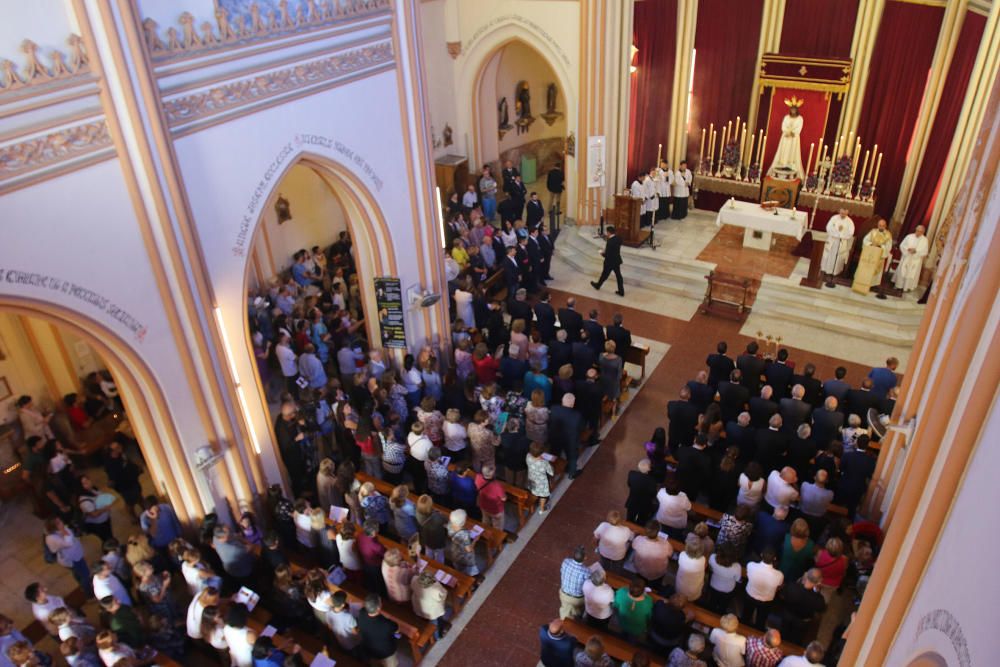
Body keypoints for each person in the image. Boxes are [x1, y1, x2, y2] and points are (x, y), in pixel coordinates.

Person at [44, 518, 92, 596]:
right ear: (54, 526)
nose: (62, 522)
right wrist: (63, 530)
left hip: (76, 555)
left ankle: (83, 585)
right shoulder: (52, 538)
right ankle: (88, 593)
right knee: (85, 574)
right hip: (72, 559)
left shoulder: (60, 530)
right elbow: (68, 543)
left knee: (78, 573)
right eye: (59, 523)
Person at [780, 569, 827, 645]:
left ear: (806, 575)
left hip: (787, 616)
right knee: (795, 641)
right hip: (802, 622)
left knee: (783, 635)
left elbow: (782, 596)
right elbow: (821, 609)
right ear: (819, 582)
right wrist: (817, 593)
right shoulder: (819, 599)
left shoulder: (791, 586)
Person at [743, 549, 784, 629]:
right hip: (766, 600)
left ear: (761, 555)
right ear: (775, 558)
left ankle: (743, 628)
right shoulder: (779, 575)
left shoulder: (751, 565)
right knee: (761, 621)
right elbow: (779, 586)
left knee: (746, 616)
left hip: (750, 594)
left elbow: (748, 575)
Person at [357, 594, 399, 667]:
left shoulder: (362, 613)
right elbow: (397, 631)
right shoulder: (387, 624)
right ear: (379, 608)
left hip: (370, 650)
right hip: (386, 653)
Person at [768, 98, 804, 178]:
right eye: (792, 109)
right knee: (784, 151)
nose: (793, 111)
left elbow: (799, 128)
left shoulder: (800, 118)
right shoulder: (786, 117)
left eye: (794, 110)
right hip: (785, 138)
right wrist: (787, 131)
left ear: (797, 110)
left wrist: (792, 132)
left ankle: (790, 165)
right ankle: (782, 164)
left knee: (792, 152)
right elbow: (783, 126)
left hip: (794, 139)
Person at [411, 571, 448, 639]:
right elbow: (443, 595)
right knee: (434, 623)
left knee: (426, 618)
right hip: (432, 609)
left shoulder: (415, 580)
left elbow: (412, 587)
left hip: (419, 604)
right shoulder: (435, 588)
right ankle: (437, 636)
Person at [589, 225, 624, 296]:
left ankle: (598, 285)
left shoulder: (610, 242)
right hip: (616, 260)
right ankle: (621, 291)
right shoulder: (618, 238)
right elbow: (617, 244)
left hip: (609, 262)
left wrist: (601, 253)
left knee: (604, 275)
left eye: (607, 232)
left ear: (609, 232)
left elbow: (607, 255)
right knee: (618, 276)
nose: (606, 234)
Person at [860, 217, 893, 293]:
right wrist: (871, 244)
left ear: (885, 226)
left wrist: (880, 246)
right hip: (870, 254)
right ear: (877, 225)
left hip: (879, 256)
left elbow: (888, 247)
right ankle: (864, 282)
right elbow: (865, 240)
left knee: (876, 270)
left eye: (883, 225)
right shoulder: (873, 232)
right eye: (879, 225)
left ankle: (872, 285)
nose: (881, 227)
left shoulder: (888, 235)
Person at [821, 209, 855, 280]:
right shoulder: (834, 218)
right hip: (832, 240)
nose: (843, 215)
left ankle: (835, 272)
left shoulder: (850, 222)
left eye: (844, 214)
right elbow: (828, 228)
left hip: (841, 241)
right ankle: (826, 269)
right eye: (841, 213)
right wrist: (836, 233)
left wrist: (841, 235)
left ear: (847, 213)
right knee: (829, 255)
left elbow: (851, 232)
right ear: (839, 212)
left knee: (838, 256)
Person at [894, 224, 929, 291]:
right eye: (917, 230)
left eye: (920, 231)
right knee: (902, 271)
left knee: (911, 273)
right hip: (907, 256)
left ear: (923, 232)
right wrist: (908, 249)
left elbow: (925, 251)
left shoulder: (925, 240)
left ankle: (908, 287)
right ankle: (899, 285)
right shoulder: (909, 236)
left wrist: (916, 251)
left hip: (916, 260)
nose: (918, 233)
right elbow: (902, 245)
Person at [558, 546, 590, 619]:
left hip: (563, 594)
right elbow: (588, 583)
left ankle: (563, 619)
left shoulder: (565, 562)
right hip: (577, 599)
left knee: (565, 610)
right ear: (585, 558)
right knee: (577, 613)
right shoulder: (586, 571)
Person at [625, 459, 659, 525]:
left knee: (629, 520)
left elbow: (629, 484)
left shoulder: (631, 474)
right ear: (649, 469)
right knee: (641, 522)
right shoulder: (652, 481)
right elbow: (653, 494)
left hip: (633, 501)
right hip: (644, 505)